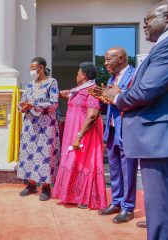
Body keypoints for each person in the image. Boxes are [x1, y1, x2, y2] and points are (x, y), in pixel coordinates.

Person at [92, 1, 168, 239]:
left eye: (148, 20)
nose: (145, 25)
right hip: (163, 139)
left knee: (162, 212)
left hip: (164, 140)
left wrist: (118, 97)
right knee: (166, 209)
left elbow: (146, 90)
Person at [52, 62, 107, 210]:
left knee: (85, 164)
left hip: (84, 134)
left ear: (83, 75)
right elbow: (65, 93)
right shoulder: (78, 90)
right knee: (73, 161)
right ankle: (72, 195)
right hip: (74, 131)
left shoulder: (92, 90)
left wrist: (79, 136)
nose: (77, 75)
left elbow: (93, 114)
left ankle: (86, 198)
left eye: (78, 72)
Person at [96, 48, 137, 223]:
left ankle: (128, 207)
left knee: (128, 170)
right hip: (112, 130)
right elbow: (111, 104)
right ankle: (117, 201)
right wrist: (103, 98)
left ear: (120, 58)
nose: (105, 63)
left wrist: (118, 95)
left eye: (107, 60)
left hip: (128, 130)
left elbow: (137, 99)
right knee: (114, 169)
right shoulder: (112, 78)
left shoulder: (135, 75)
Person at [17, 57, 60, 201]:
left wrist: (34, 104)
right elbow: (22, 100)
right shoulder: (29, 85)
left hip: (46, 125)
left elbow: (54, 103)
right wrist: (22, 106)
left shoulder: (51, 82)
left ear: (41, 68)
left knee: (45, 155)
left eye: (33, 68)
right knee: (29, 152)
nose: (31, 71)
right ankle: (31, 184)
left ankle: (46, 187)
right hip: (30, 125)